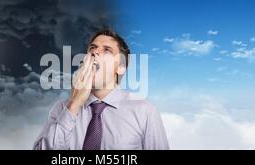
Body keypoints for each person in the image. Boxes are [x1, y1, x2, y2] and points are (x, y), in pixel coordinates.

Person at [33, 29, 169, 150]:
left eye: (107, 50)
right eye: (92, 48)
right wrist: (73, 105)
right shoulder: (61, 109)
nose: (95, 52)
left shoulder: (144, 111)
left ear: (121, 67)